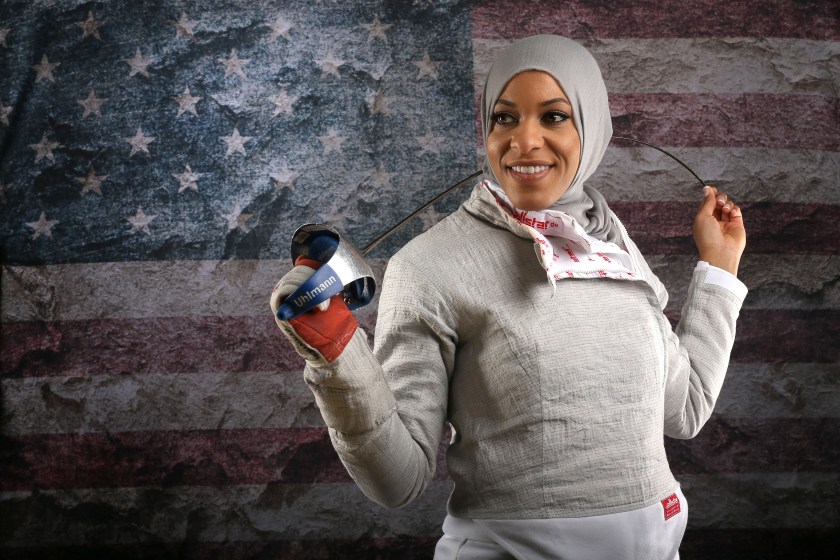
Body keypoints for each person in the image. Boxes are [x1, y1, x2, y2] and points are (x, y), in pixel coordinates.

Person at [270, 35, 747, 560]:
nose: (524, 141)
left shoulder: (611, 244)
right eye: (504, 118)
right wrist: (339, 357)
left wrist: (720, 268)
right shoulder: (431, 265)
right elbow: (397, 482)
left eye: (554, 116)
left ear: (591, 126)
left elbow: (685, 410)